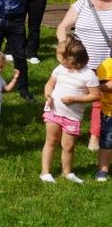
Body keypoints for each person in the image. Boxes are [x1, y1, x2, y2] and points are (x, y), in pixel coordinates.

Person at [55, 0, 112, 152]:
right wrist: (66, 50)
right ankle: (61, 131)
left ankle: (95, 137)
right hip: (79, 64)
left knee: (100, 101)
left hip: (106, 64)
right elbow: (63, 27)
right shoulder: (80, 5)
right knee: (69, 96)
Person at [40, 35, 100, 183]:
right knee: (51, 141)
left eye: (59, 56)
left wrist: (75, 99)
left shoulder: (88, 75)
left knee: (68, 146)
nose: (57, 58)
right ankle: (45, 172)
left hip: (72, 116)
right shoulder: (60, 69)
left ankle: (67, 173)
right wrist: (48, 95)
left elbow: (96, 95)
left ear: (71, 58)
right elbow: (50, 84)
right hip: (53, 111)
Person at [95, 52, 112, 181]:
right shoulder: (107, 65)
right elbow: (102, 86)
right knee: (106, 142)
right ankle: (103, 169)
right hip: (110, 112)